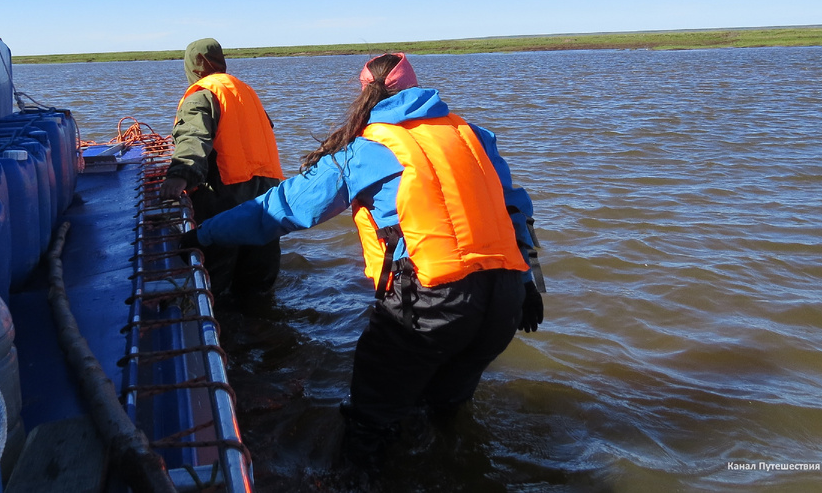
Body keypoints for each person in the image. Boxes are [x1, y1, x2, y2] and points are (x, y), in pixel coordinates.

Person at [182, 52, 545, 467]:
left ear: (366, 94)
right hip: (503, 300)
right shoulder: (471, 133)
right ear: (415, 86)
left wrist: (203, 234)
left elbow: (282, 208)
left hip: (427, 307)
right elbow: (518, 211)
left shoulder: (367, 149)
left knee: (369, 424)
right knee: (447, 409)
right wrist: (529, 284)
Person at [160, 38, 285, 310]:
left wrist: (180, 175)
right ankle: (264, 327)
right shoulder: (244, 90)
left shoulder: (202, 95)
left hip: (225, 196)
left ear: (192, 67)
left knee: (216, 279)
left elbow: (194, 138)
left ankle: (223, 335)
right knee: (258, 281)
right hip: (267, 193)